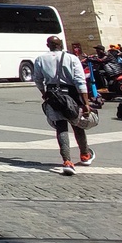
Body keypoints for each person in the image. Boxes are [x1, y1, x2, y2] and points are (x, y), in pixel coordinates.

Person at [32, 36, 95, 176]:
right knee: (77, 125)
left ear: (48, 45)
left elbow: (37, 79)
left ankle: (67, 161)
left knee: (61, 127)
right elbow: (80, 80)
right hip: (71, 95)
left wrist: (44, 93)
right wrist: (86, 102)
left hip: (53, 95)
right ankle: (85, 154)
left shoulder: (40, 59)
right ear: (61, 44)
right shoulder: (72, 58)